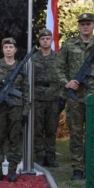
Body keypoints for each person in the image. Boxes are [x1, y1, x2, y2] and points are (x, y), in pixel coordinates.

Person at [56, 13, 94, 180]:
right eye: (82, 24)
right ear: (79, 26)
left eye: (88, 23)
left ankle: (92, 166)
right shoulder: (68, 45)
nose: (85, 26)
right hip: (74, 97)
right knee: (75, 133)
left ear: (93, 25)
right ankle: (78, 168)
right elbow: (58, 68)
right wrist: (66, 82)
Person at [0, 37, 29, 182]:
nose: (8, 50)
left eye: (11, 47)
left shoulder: (21, 67)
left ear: (15, 50)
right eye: (6, 47)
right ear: (2, 49)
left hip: (16, 108)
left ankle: (12, 170)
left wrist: (25, 111)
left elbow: (25, 90)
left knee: (15, 139)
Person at [33, 29, 60, 167]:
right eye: (43, 38)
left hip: (53, 96)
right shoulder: (33, 58)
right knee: (37, 128)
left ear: (51, 40)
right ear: (39, 41)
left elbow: (62, 77)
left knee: (51, 128)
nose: (45, 41)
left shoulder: (58, 58)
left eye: (48, 38)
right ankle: (40, 155)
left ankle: (50, 155)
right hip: (37, 96)